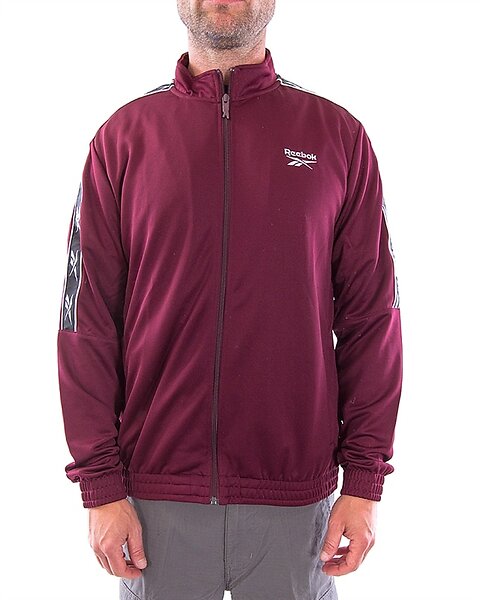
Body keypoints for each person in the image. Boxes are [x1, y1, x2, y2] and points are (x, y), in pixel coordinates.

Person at [56, 1, 403, 598]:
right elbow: (86, 324)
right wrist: (100, 486)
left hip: (295, 502)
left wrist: (365, 480)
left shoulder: (337, 137)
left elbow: (373, 318)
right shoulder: (123, 140)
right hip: (153, 504)